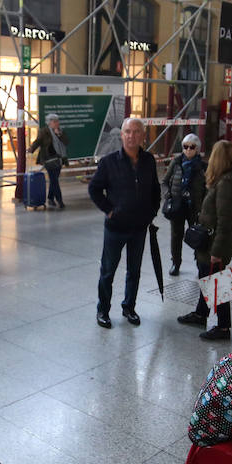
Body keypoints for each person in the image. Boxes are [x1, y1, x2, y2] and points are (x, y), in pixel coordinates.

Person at [88, 117, 160, 328]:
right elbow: (94, 189)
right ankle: (103, 310)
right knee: (108, 271)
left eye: (137, 132)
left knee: (134, 271)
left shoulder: (148, 160)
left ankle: (129, 307)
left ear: (143, 136)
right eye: (128, 132)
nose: (132, 136)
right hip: (116, 228)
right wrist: (110, 211)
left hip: (139, 228)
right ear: (122, 135)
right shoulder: (109, 162)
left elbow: (155, 188)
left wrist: (152, 211)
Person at [177, 141, 232, 342]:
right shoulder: (225, 180)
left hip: (214, 244)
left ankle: (224, 327)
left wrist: (216, 252)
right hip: (210, 242)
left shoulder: (228, 184)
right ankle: (201, 314)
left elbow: (226, 222)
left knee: (218, 283)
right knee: (206, 277)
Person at [162, 134, 206, 276]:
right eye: (185, 146)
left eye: (191, 147)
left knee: (198, 236)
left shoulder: (202, 167)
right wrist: (168, 195)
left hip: (195, 207)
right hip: (177, 205)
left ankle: (200, 262)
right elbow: (164, 182)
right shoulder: (176, 162)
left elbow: (208, 187)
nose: (188, 150)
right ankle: (176, 262)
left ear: (197, 149)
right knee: (176, 235)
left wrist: (205, 205)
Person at [29, 113, 70, 209]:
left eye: (57, 121)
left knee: (53, 180)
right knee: (54, 180)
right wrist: (31, 149)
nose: (57, 123)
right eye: (54, 121)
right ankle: (59, 200)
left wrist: (59, 134)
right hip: (48, 159)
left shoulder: (60, 131)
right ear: (49, 123)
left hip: (59, 159)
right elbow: (38, 141)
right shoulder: (44, 131)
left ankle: (50, 198)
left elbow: (66, 142)